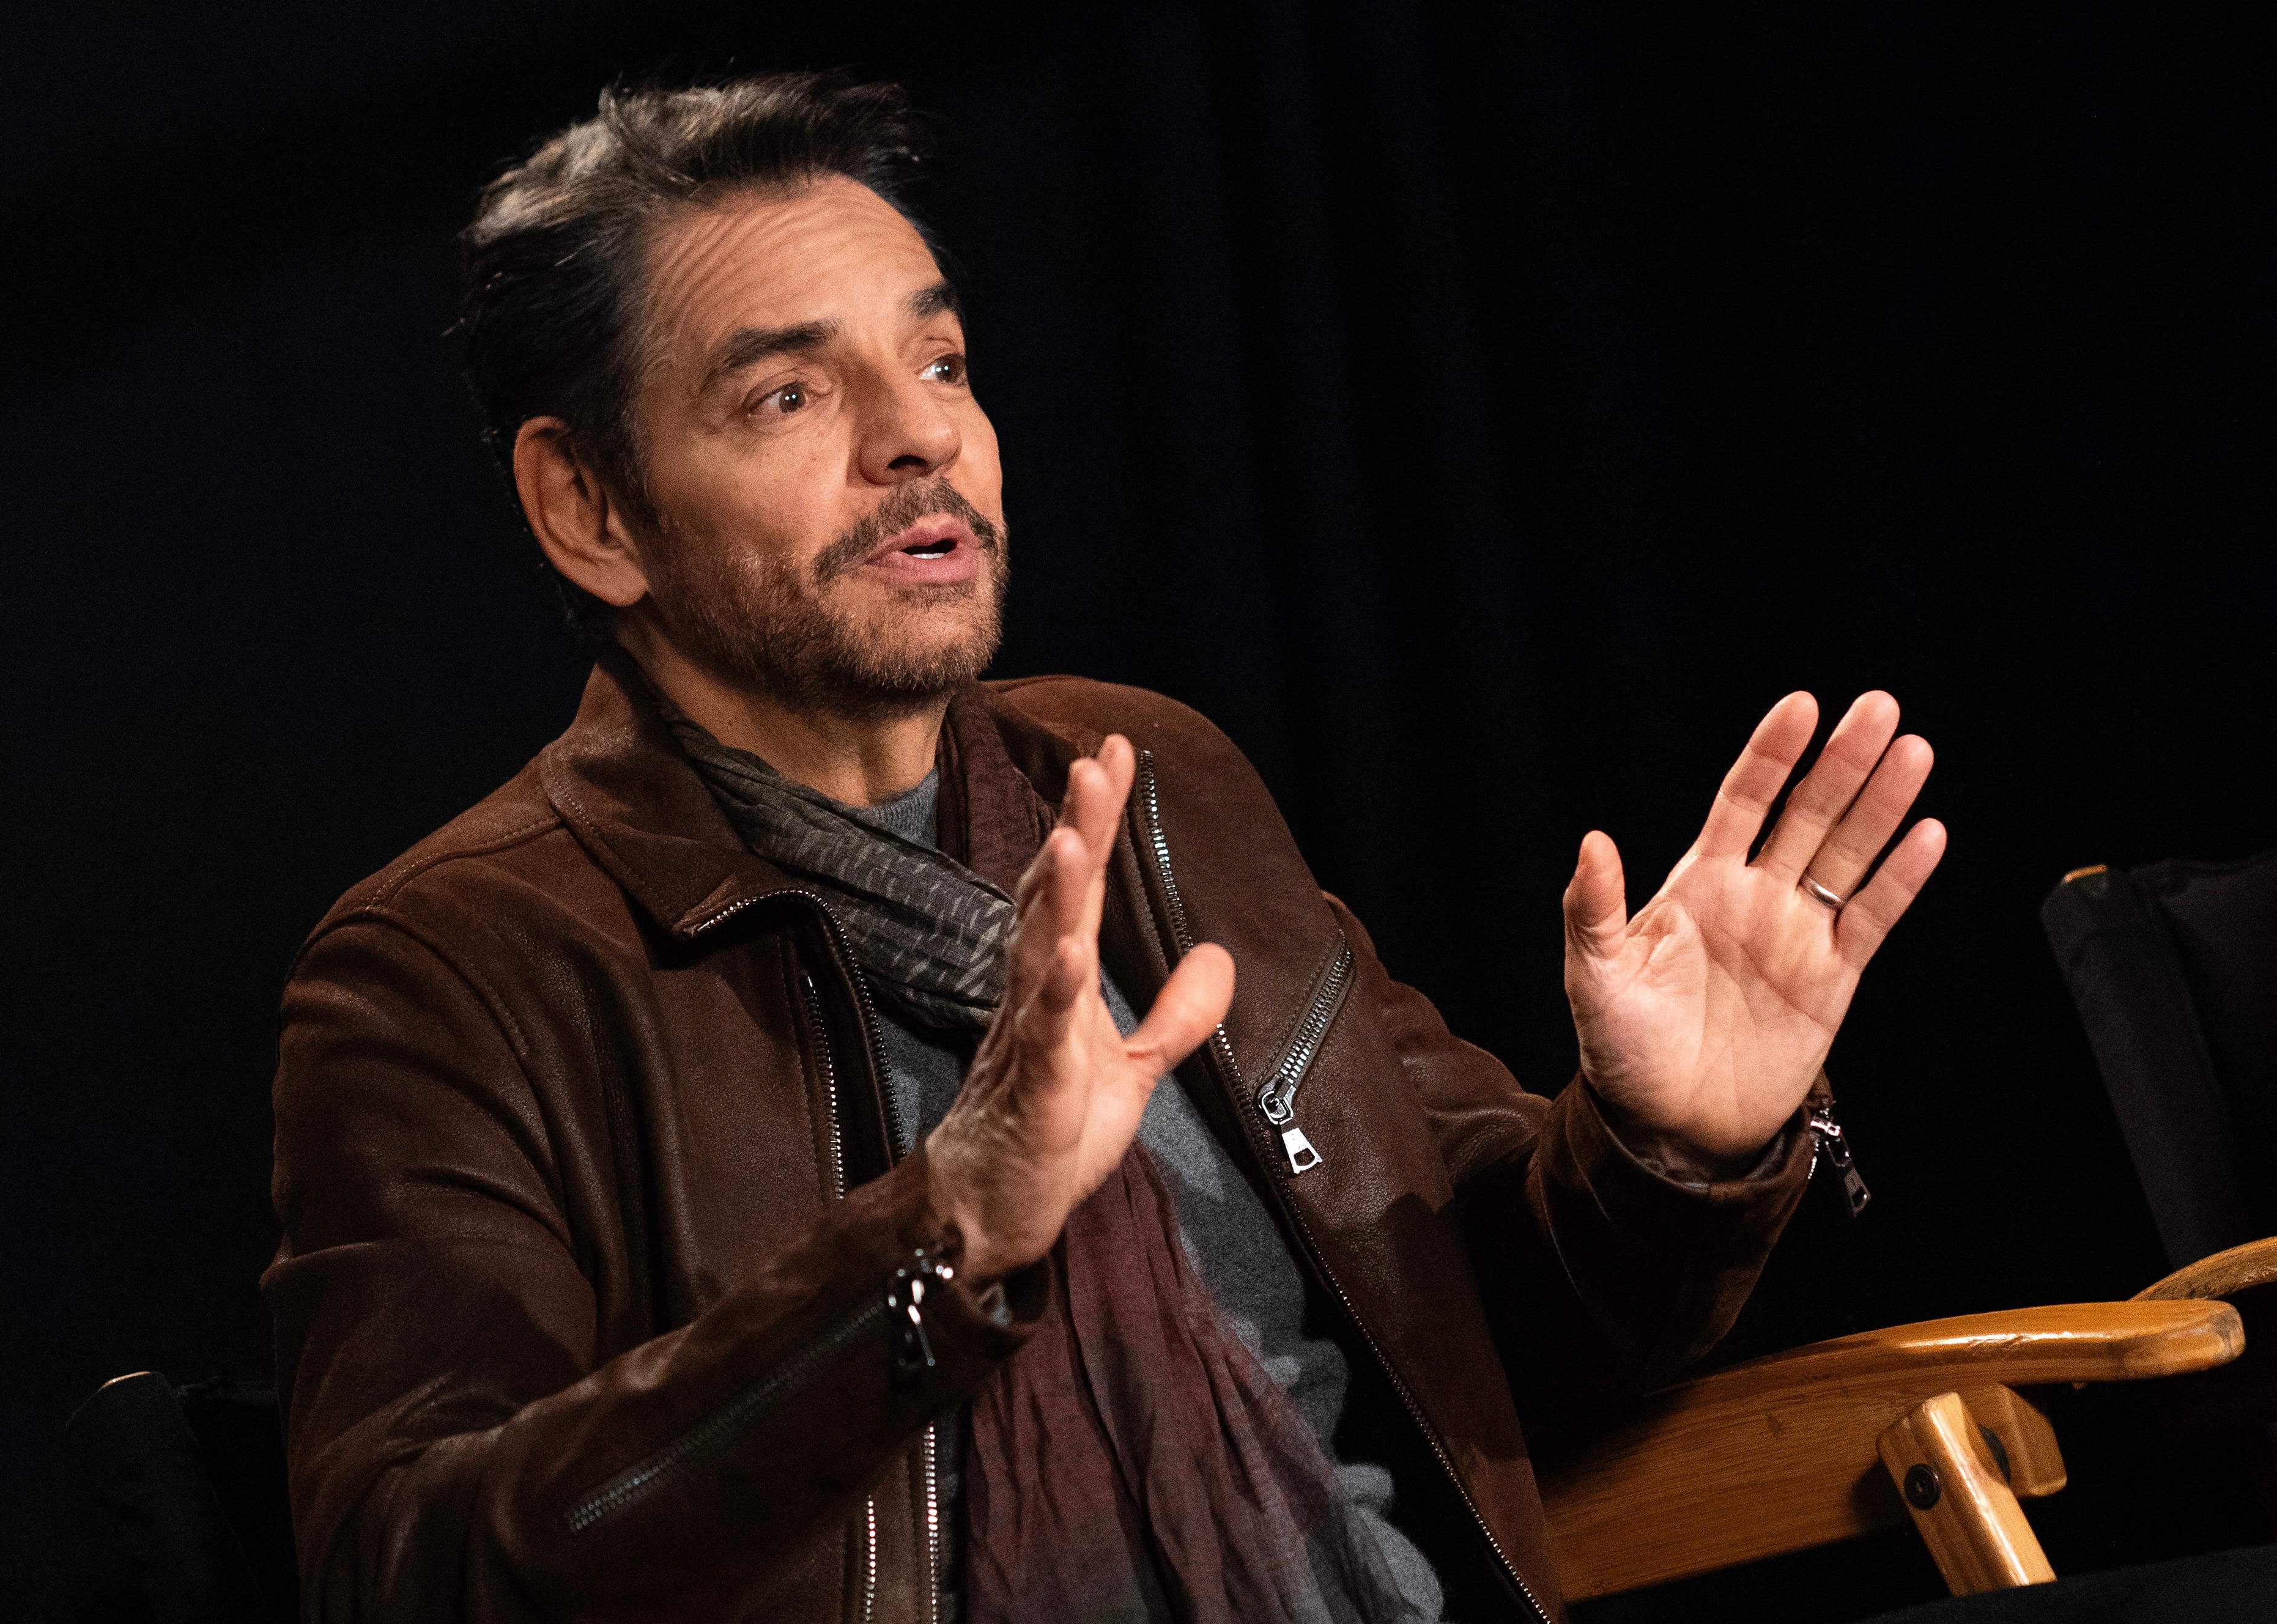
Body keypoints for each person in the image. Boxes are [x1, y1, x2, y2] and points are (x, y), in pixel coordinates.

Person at [265, 74, 1948, 1623]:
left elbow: (1495, 1339)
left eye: (939, 362)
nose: (918, 435)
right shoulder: (456, 966)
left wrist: (1674, 1151)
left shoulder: (1152, 783)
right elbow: (410, 1571)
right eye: (788, 391)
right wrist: (942, 1240)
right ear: (592, 511)